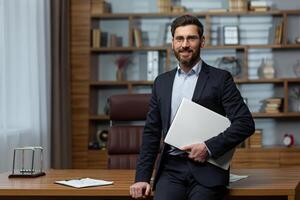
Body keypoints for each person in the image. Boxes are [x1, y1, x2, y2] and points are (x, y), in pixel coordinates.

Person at [129, 14, 255, 200]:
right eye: (179, 38)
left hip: (208, 170)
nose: (185, 44)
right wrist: (141, 177)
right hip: (170, 171)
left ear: (202, 42)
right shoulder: (161, 83)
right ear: (172, 43)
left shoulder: (221, 79)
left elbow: (245, 123)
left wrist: (208, 147)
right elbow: (151, 132)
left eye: (191, 38)